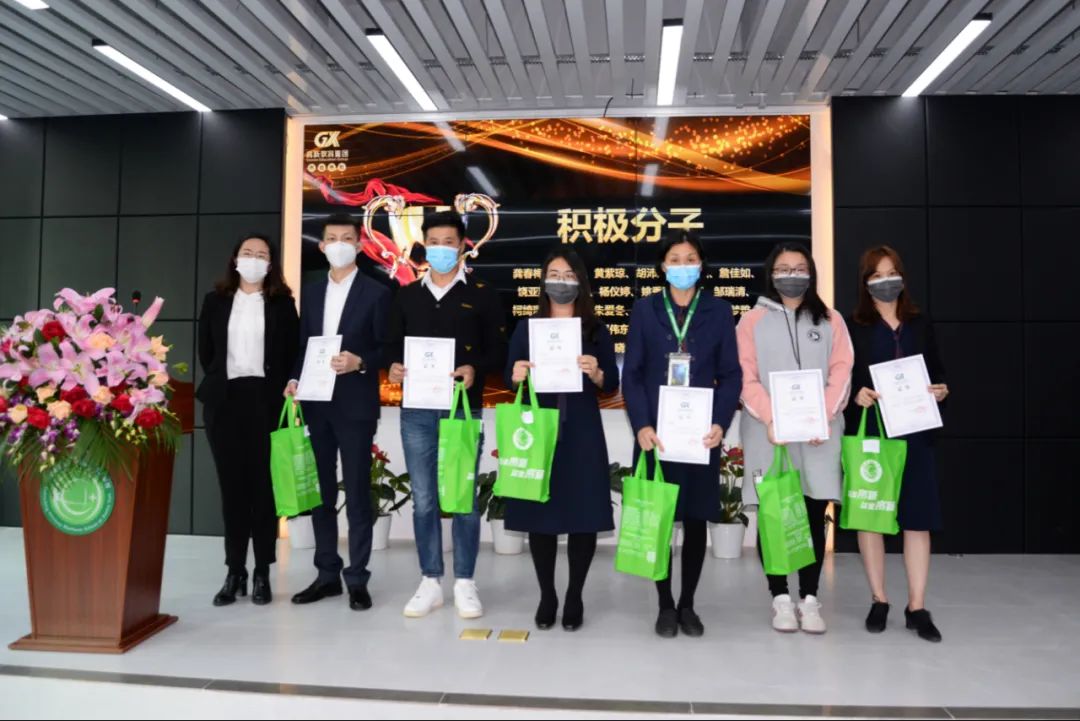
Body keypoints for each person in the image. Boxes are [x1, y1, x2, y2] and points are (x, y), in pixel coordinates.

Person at [386, 210, 506, 619]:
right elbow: (390, 345)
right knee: (423, 499)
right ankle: (430, 580)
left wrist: (475, 368)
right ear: (424, 245)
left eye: (449, 242)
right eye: (434, 242)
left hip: (462, 409)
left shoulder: (483, 294)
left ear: (462, 246)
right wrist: (393, 366)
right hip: (417, 411)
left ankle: (465, 582)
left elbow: (498, 350)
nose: (441, 249)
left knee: (463, 497)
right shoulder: (406, 295)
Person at [622, 230, 742, 639]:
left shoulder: (719, 311)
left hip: (699, 435)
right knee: (658, 519)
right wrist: (641, 425)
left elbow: (731, 374)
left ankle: (687, 603)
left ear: (701, 265)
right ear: (662, 266)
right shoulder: (645, 309)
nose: (683, 266)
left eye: (690, 258)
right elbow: (632, 374)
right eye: (675, 259)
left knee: (694, 520)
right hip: (656, 434)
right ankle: (664, 605)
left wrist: (720, 422)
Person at [736, 242, 853, 635]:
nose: (792, 275)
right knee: (774, 511)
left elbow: (842, 371)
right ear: (771, 274)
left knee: (815, 512)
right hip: (767, 433)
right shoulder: (751, 321)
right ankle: (780, 598)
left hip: (820, 434)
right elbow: (745, 377)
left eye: (799, 267)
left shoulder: (831, 320)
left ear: (811, 273)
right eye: (783, 268)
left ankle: (810, 598)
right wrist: (774, 419)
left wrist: (822, 418)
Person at [505, 249, 619, 632]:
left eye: (569, 275)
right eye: (553, 274)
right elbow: (509, 376)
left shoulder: (596, 329)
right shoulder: (527, 328)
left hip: (582, 430)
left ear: (581, 282)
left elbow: (611, 383)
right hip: (539, 430)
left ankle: (574, 595)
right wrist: (517, 375)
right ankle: (547, 595)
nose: (561, 281)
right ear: (543, 281)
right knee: (541, 514)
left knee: (583, 515)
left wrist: (597, 373)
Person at [284, 214, 390, 611]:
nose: (340, 244)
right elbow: (303, 346)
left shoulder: (377, 292)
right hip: (316, 403)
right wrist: (294, 379)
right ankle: (326, 573)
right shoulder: (311, 293)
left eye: (348, 238)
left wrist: (360, 362)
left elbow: (388, 347)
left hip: (355, 405)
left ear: (359, 246)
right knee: (322, 492)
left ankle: (357, 577)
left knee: (358, 492)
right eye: (333, 238)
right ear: (322, 246)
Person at [847, 245, 948, 643]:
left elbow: (938, 371)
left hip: (916, 432)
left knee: (917, 519)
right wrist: (856, 394)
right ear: (865, 282)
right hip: (874, 433)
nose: (885, 281)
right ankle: (879, 599)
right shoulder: (852, 325)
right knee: (871, 515)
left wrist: (941, 389)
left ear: (902, 277)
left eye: (892, 273)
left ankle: (917, 606)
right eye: (877, 275)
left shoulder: (920, 322)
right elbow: (843, 379)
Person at [198, 235, 298, 607]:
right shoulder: (215, 301)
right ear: (235, 259)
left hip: (266, 401)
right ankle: (235, 570)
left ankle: (262, 572)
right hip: (224, 401)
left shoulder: (282, 304)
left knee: (263, 490)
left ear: (270, 264)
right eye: (247, 253)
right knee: (232, 489)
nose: (253, 259)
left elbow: (292, 352)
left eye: (261, 255)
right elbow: (206, 352)